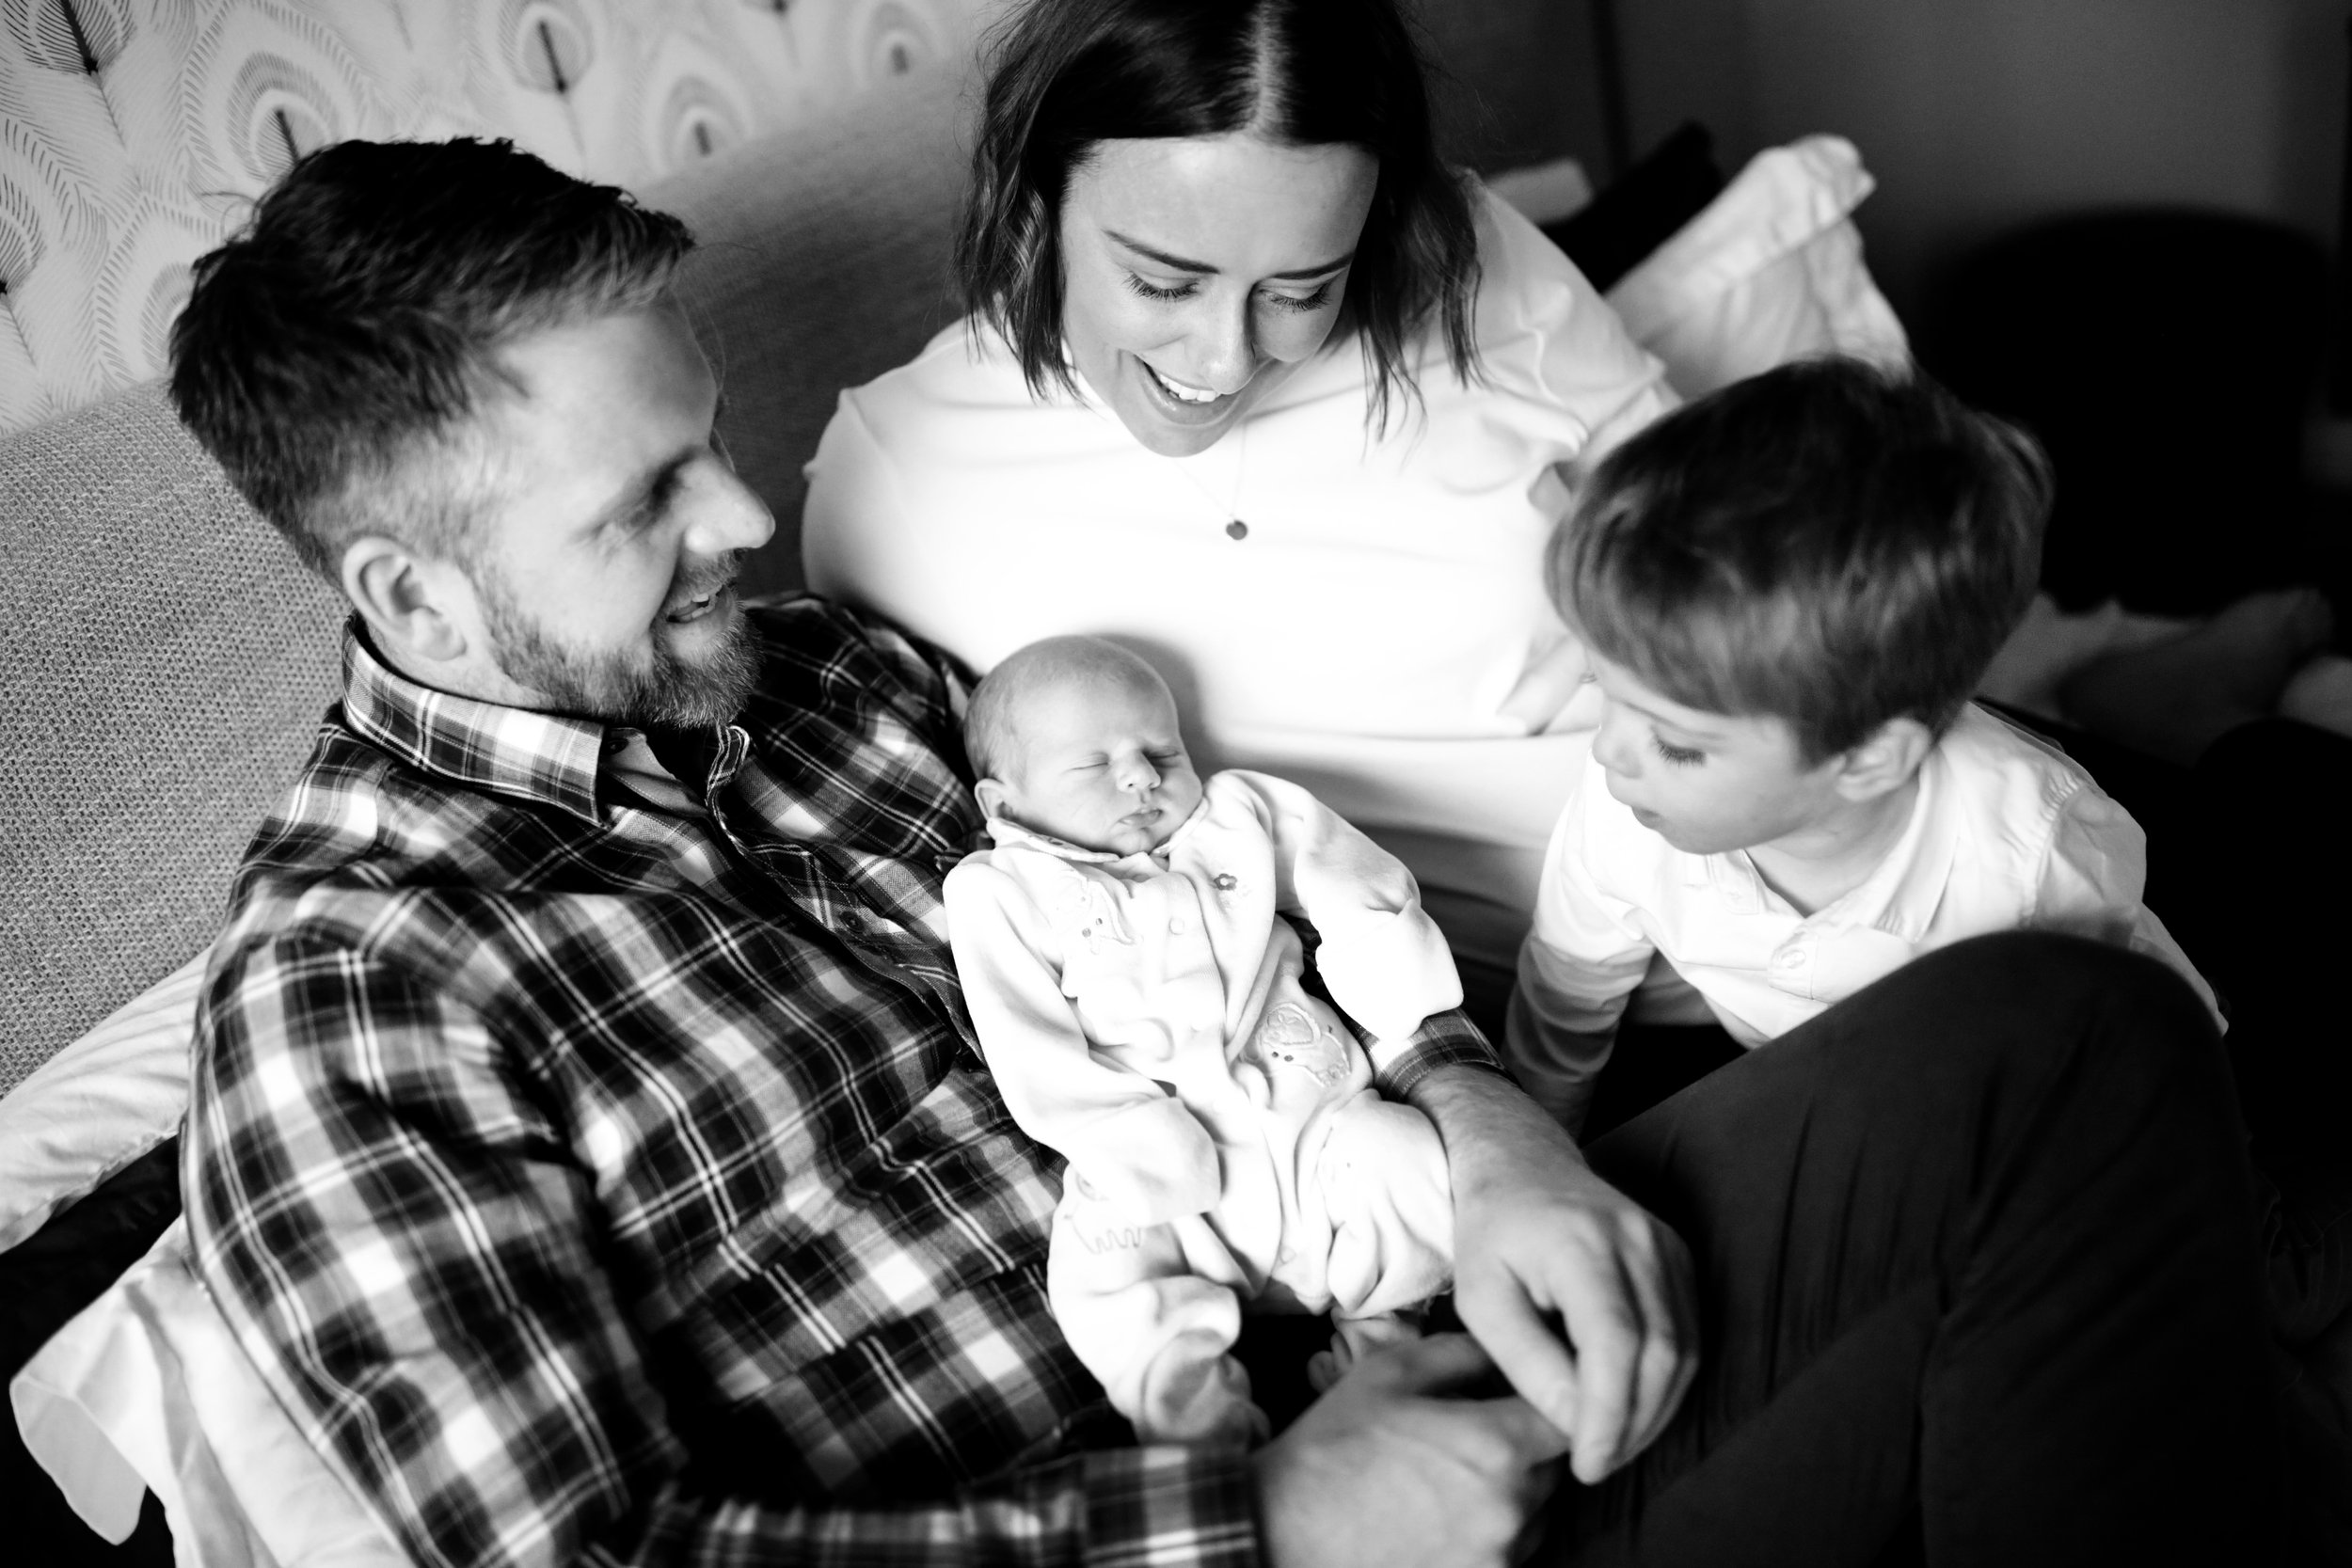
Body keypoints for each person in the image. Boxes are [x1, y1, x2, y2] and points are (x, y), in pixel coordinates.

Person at [165, 135, 2284, 1568]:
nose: (742, 520)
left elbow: (1262, 901)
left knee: (2058, 1026)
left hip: (1415, 1316)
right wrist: (1259, 1517)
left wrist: (1482, 1114)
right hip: (1244, 1510)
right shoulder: (355, 995)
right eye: (646, 501)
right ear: (417, 598)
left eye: (712, 442)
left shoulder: (831, 686)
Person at [801, 0, 1678, 1015]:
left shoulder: (1471, 264)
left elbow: (1716, 540)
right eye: (1163, 283)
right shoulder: (897, 482)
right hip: (1468, 1044)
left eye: (1303, 291)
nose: (1225, 360)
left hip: (1768, 898)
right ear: (1034, 203)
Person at [1506, 359, 2217, 1133]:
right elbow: (1567, 1000)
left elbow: (2142, 1048)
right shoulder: (1629, 817)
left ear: (1870, 760)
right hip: (1825, 1094)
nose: (1609, 752)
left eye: (1676, 744)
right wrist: (1545, 1157)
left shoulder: (2030, 863)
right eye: (1600, 688)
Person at [946, 636, 1460, 1445]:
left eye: (1162, 750)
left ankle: (1382, 1352)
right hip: (1162, 1172)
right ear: (1003, 804)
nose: (1143, 776)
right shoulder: (1001, 891)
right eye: (1096, 764)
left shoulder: (1238, 817)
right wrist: (1124, 1137)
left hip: (1314, 1130)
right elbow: (1028, 1042)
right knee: (1098, 1270)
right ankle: (1201, 1423)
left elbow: (1344, 866)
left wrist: (1385, 958)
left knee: (1407, 1157)